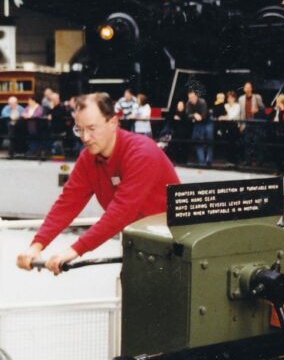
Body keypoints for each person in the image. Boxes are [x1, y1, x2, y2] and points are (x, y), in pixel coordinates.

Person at [16, 93, 180, 274]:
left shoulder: (141, 153)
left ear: (113, 123)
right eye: (79, 129)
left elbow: (121, 212)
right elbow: (67, 204)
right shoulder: (88, 159)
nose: (85, 137)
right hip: (138, 246)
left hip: (173, 250)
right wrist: (36, 246)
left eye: (92, 128)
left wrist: (74, 250)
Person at [240, 82, 265, 166]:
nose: (247, 89)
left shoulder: (257, 97)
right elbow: (240, 113)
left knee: (257, 142)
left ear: (251, 88)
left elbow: (263, 108)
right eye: (245, 87)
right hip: (246, 123)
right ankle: (248, 161)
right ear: (244, 89)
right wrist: (241, 125)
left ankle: (259, 161)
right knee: (247, 143)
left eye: (248, 87)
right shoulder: (241, 99)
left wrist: (257, 109)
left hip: (256, 123)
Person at [186, 89, 213, 166]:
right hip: (198, 123)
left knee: (210, 140)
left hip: (207, 122)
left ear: (197, 96)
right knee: (197, 140)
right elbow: (188, 114)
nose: (192, 99)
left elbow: (203, 116)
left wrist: (195, 116)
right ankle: (202, 162)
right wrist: (194, 115)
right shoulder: (188, 103)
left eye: (193, 97)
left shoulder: (202, 102)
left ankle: (209, 160)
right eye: (190, 98)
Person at [219, 89, 243, 164]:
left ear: (234, 98)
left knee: (234, 144)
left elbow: (232, 116)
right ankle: (228, 160)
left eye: (231, 98)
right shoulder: (225, 105)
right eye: (228, 98)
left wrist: (225, 117)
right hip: (227, 127)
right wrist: (224, 116)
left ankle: (235, 161)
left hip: (235, 126)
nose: (230, 99)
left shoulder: (237, 106)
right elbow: (221, 115)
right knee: (227, 144)